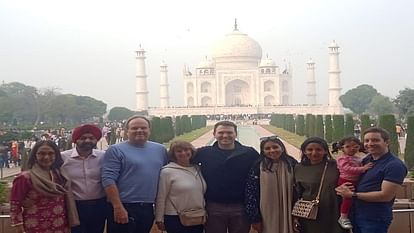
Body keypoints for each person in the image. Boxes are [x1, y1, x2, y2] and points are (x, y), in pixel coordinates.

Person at [102, 115, 168, 233]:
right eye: (134, 128)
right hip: (124, 205)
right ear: (126, 131)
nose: (139, 131)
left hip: (148, 207)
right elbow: (108, 179)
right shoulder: (115, 150)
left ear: (149, 130)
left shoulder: (160, 150)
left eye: (143, 128)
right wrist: (118, 207)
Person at [336, 127, 407, 233]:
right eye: (366, 141)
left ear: (387, 142)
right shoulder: (366, 160)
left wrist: (353, 195)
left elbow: (386, 196)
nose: (370, 144)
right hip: (356, 214)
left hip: (374, 218)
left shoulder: (394, 165)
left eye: (375, 140)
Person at [192, 120, 259, 233]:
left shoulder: (249, 153)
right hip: (213, 205)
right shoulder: (204, 153)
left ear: (235, 134)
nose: (225, 136)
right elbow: (183, 162)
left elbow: (264, 168)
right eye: (221, 132)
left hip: (241, 205)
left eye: (229, 132)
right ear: (214, 134)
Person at [10, 140, 79, 233]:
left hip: (60, 225)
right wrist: (19, 227)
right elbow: (15, 204)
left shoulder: (60, 175)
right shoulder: (25, 178)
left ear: (56, 155)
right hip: (34, 226)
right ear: (35, 155)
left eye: (51, 153)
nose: (46, 157)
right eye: (41, 153)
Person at [245, 136, 298, 233]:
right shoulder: (258, 166)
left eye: (275, 147)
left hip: (288, 211)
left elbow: (298, 189)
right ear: (263, 151)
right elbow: (251, 192)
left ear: (282, 148)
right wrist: (254, 217)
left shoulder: (292, 164)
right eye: (267, 148)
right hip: (265, 214)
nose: (272, 150)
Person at [61, 124, 107, 233]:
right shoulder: (63, 158)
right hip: (74, 206)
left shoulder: (103, 156)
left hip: (99, 205)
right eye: (83, 138)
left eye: (91, 138)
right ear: (75, 140)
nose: (87, 140)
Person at [294, 137, 345, 233]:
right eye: (310, 150)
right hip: (309, 212)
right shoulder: (298, 168)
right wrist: (295, 216)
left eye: (318, 149)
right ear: (304, 151)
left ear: (325, 151)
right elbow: (297, 193)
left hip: (333, 210)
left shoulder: (336, 165)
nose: (314, 153)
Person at [155, 141, 206, 233]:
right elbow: (161, 196)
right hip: (175, 217)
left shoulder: (198, 169)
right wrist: (159, 218)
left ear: (191, 151)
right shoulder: (167, 171)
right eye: (179, 151)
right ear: (173, 154)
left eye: (186, 150)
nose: (183, 153)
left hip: (196, 216)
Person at [335, 136, 373, 229]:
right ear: (342, 148)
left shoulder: (358, 158)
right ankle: (343, 217)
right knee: (348, 198)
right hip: (346, 181)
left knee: (354, 199)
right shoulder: (342, 159)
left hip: (355, 181)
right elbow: (348, 169)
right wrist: (362, 169)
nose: (352, 149)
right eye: (348, 146)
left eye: (355, 147)